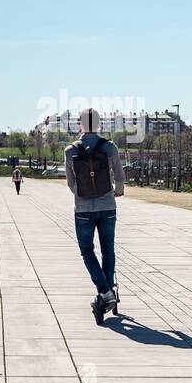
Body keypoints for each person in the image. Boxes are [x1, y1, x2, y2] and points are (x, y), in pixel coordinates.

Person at [65, 107, 125, 323]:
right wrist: (116, 191)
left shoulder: (70, 150)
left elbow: (71, 183)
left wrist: (82, 196)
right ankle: (108, 291)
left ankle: (105, 292)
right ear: (99, 124)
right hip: (107, 204)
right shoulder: (109, 147)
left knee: (87, 251)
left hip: (82, 209)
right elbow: (119, 175)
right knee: (108, 250)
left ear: (80, 124)